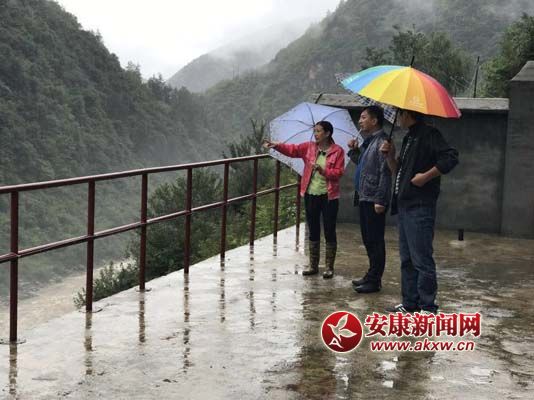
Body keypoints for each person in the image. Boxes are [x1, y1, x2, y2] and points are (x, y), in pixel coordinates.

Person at [380, 109, 459, 314]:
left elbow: (450, 157)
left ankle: (427, 307)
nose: (397, 119)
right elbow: (398, 171)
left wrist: (425, 177)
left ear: (407, 114)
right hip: (404, 205)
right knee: (407, 259)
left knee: (422, 259)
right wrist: (390, 156)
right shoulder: (409, 138)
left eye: (399, 115)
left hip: (420, 205)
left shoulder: (429, 134)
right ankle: (410, 303)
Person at [264, 121, 345, 279]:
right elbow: (292, 150)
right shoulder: (309, 147)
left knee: (329, 229)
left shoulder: (338, 151)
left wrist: (323, 170)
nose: (316, 134)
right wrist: (276, 146)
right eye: (315, 131)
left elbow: (338, 173)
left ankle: (329, 267)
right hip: (310, 194)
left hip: (329, 196)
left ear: (327, 133)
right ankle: (313, 265)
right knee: (313, 228)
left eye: (319, 131)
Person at [347, 106, 391, 293]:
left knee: (375, 240)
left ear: (374, 121)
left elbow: (385, 172)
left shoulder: (382, 142)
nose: (360, 121)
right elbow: (364, 165)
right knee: (368, 239)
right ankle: (371, 274)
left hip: (374, 198)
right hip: (364, 195)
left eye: (364, 117)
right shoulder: (370, 141)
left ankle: (374, 280)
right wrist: (354, 151)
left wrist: (381, 199)